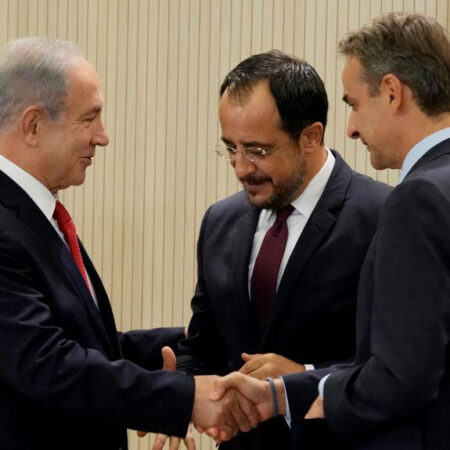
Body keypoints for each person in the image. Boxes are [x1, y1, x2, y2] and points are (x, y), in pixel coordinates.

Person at [0, 37, 259, 450]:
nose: (102, 137)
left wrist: (196, 342)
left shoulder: (33, 214)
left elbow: (87, 343)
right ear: (33, 124)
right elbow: (47, 363)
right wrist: (187, 399)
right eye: (89, 119)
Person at [214, 11, 450, 450]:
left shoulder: (416, 199)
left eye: (354, 104)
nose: (352, 128)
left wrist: (294, 393)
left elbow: (404, 376)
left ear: (392, 92)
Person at [176, 50, 392, 449]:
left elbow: (398, 366)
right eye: (231, 147)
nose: (241, 167)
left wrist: (303, 376)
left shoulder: (383, 216)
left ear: (310, 137)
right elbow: (204, 345)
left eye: (257, 150)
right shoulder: (219, 222)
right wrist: (178, 400)